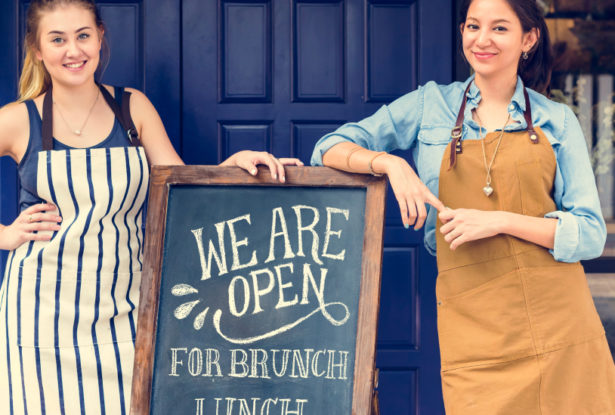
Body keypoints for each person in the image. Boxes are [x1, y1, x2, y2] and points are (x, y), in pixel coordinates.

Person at [311, 0, 615, 413]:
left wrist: (499, 221)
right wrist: (389, 164)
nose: (482, 39)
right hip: (474, 327)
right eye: (473, 26)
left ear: (529, 38)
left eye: (499, 28)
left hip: (557, 323)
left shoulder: (556, 121)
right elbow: (328, 148)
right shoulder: (428, 106)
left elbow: (590, 234)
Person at [0, 0, 302, 413]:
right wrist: (5, 235)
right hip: (41, 314)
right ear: (37, 49)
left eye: (83, 35)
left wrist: (230, 169)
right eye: (58, 39)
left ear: (100, 37)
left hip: (125, 308)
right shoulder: (19, 120)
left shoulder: (131, 108)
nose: (74, 50)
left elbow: (180, 188)